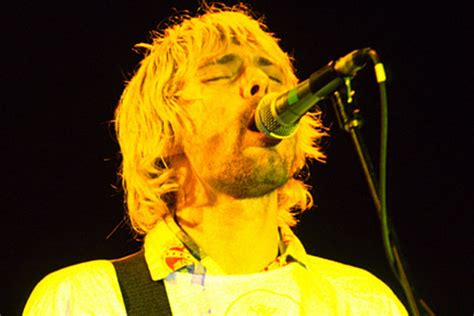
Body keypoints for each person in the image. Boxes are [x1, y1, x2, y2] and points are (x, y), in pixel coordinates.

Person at [23, 3, 408, 315]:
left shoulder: (362, 302)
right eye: (221, 75)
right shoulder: (86, 301)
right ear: (164, 132)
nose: (260, 84)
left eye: (273, 74)